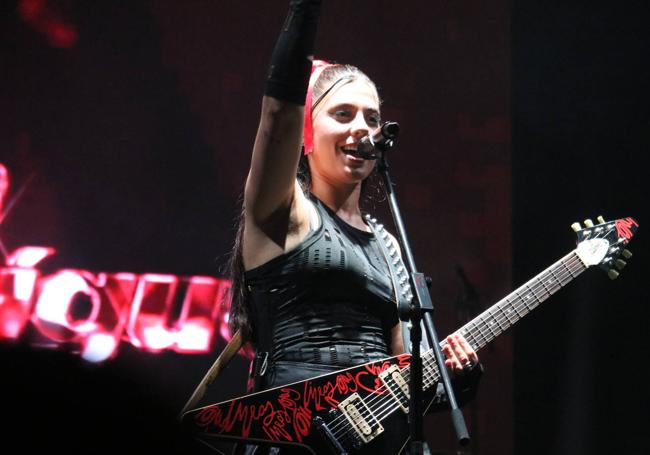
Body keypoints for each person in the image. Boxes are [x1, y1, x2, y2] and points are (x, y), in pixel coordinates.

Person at [226, 1, 482, 453]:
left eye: (372, 117)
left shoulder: (387, 245)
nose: (361, 128)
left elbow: (407, 384)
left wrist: (455, 380)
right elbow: (275, 119)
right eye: (342, 114)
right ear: (307, 131)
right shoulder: (285, 213)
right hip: (292, 443)